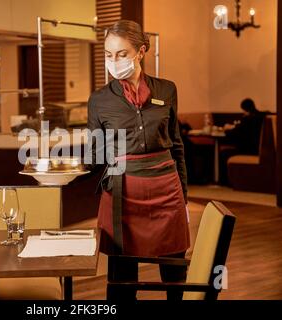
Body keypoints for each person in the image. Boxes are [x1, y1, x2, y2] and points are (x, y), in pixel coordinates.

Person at [86, 20, 190, 300]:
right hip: (123, 190)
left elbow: (176, 143)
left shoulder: (167, 90)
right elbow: (96, 154)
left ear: (140, 51)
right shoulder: (99, 100)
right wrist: (64, 169)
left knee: (175, 271)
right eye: (108, 55)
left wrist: (184, 191)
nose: (114, 61)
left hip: (167, 188)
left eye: (121, 54)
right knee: (122, 277)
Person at [219, 98, 266, 185]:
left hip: (248, 150)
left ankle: (224, 182)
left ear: (245, 109)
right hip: (258, 149)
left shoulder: (248, 119)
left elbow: (235, 133)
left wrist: (227, 129)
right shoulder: (262, 117)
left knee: (223, 153)